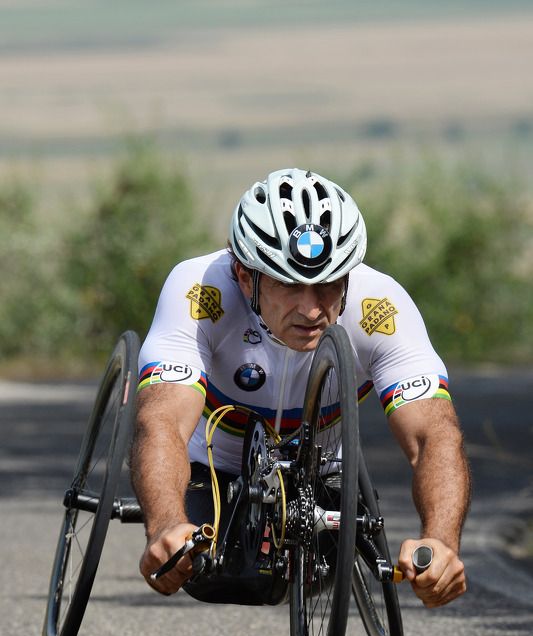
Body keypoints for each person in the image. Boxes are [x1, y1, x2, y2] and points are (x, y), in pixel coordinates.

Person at [131, 167, 470, 608]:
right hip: (212, 470)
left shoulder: (381, 306)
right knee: (217, 577)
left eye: (328, 285)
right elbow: (162, 421)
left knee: (320, 566)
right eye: (288, 285)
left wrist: (441, 540)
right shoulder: (200, 292)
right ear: (245, 276)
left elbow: (433, 435)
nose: (311, 310)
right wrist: (164, 523)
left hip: (322, 473)